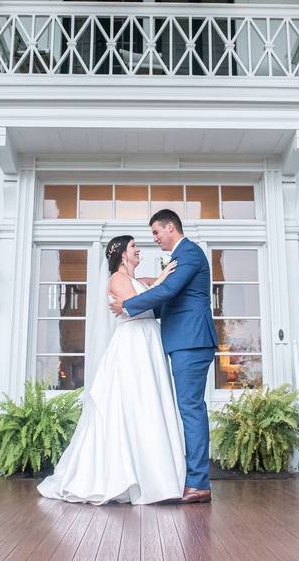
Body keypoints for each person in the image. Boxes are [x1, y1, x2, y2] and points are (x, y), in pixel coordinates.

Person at [38, 236, 184, 504]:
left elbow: (155, 292)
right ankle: (128, 476)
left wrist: (163, 276)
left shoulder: (140, 280)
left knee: (149, 404)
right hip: (133, 344)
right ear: (121, 254)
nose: (138, 249)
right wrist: (158, 283)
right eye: (133, 247)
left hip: (148, 341)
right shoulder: (117, 279)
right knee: (133, 403)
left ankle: (154, 473)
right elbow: (142, 304)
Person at [110, 210, 218, 504]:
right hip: (183, 341)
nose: (154, 239)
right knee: (187, 409)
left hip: (191, 341)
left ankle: (198, 484)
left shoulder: (189, 255)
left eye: (156, 233)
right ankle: (190, 478)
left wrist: (129, 305)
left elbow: (168, 290)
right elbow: (169, 302)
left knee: (191, 409)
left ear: (170, 227)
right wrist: (138, 305)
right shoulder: (179, 258)